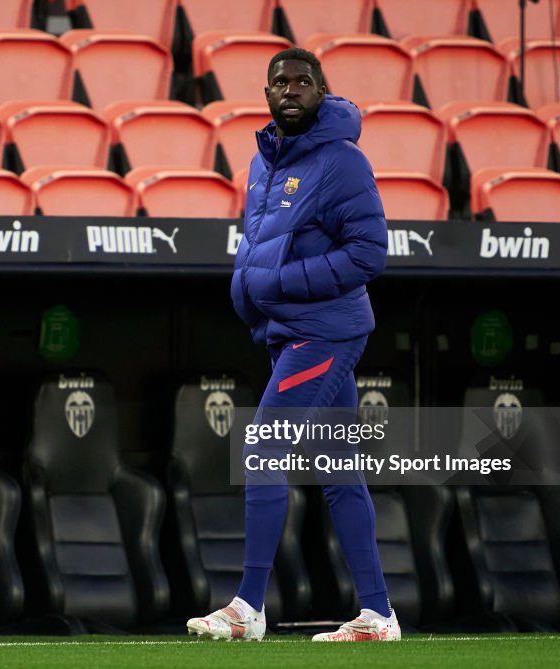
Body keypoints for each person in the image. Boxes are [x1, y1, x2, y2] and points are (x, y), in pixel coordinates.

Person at [186, 47, 398, 642]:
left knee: (262, 444)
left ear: (321, 91)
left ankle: (248, 608)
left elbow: (368, 255)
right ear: (267, 93)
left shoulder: (343, 161)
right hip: (287, 333)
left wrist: (276, 285)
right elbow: (259, 245)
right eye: (281, 82)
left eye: (304, 82)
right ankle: (379, 615)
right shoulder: (263, 163)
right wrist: (251, 292)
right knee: (339, 471)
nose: (292, 90)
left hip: (326, 332)